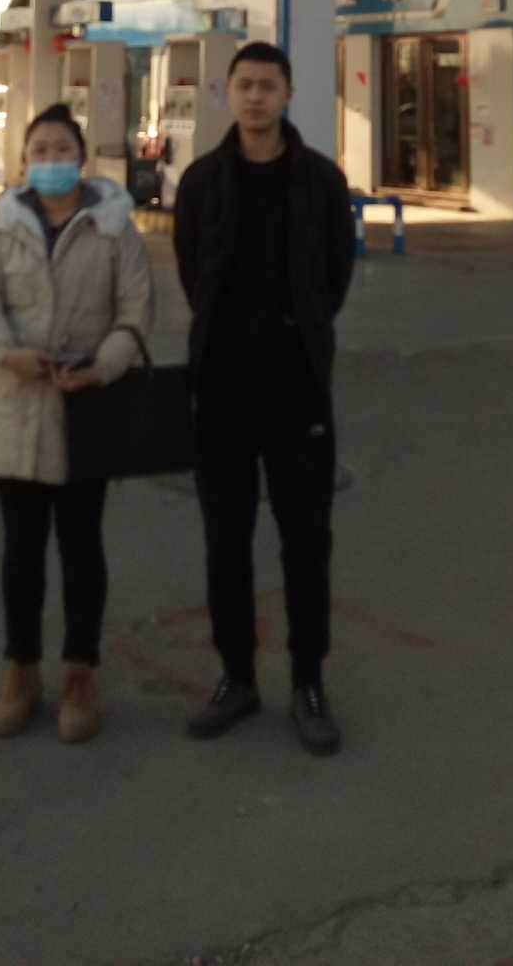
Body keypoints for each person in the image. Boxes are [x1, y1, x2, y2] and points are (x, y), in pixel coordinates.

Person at [172, 40, 354, 756]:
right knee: (226, 539)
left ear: (287, 94)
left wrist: (299, 333)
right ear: (227, 92)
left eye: (267, 86)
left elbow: (335, 274)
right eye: (244, 85)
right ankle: (237, 677)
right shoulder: (202, 182)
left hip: (297, 387)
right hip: (221, 388)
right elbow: (192, 271)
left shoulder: (321, 182)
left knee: (306, 541)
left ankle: (308, 683)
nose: (254, 97)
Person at [0, 100, 154, 743]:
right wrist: (4, 352)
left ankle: (79, 675)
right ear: (23, 162)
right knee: (20, 551)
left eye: (62, 150)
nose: (51, 161)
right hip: (14, 405)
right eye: (39, 151)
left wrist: (104, 366)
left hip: (85, 410)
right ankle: (20, 673)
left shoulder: (114, 228)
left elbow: (136, 310)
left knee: (80, 549)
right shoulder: (3, 225)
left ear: (82, 159)